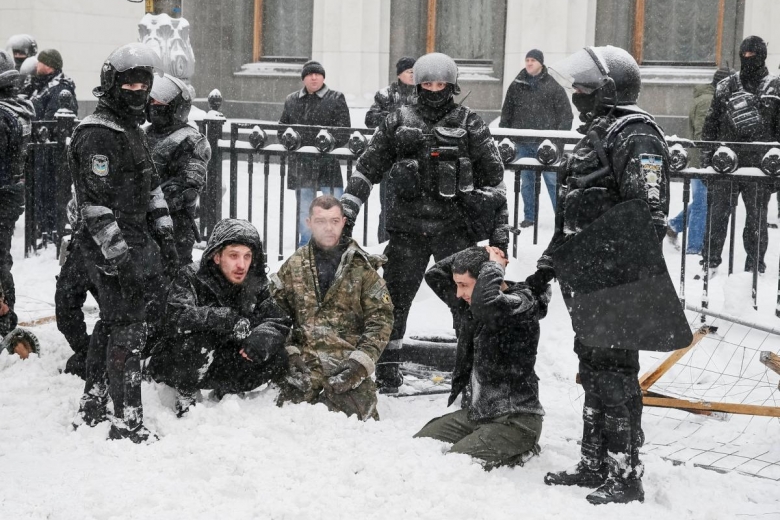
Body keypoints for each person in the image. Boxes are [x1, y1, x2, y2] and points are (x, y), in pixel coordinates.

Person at [526, 45, 670, 504]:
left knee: (615, 374)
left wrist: (609, 264)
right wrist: (547, 267)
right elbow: (573, 212)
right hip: (587, 274)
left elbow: (646, 216)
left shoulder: (636, 135)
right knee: (592, 370)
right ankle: (594, 462)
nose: (577, 94)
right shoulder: (597, 134)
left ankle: (625, 473)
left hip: (618, 277)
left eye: (585, 87)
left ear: (608, 89)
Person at [340, 52, 507, 391]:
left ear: (452, 85)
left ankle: (472, 374)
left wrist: (499, 237)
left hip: (454, 230)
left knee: (466, 303)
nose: (434, 90)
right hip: (407, 231)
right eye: (427, 84)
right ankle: (387, 372)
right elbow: (367, 168)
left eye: (440, 84)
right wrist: (347, 211)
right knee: (393, 304)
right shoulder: (397, 120)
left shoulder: (470, 123)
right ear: (418, 85)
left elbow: (496, 182)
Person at [69, 43, 176, 443]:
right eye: (129, 83)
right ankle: (127, 421)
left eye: (143, 83)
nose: (137, 90)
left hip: (136, 238)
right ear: (111, 84)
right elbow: (95, 207)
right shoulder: (98, 133)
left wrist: (165, 233)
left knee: (114, 321)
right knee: (128, 326)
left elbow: (151, 186)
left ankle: (93, 401)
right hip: (107, 243)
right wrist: (120, 260)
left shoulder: (130, 128)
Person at [415, 246, 549, 470]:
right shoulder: (471, 304)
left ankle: (523, 448)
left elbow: (486, 303)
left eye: (464, 285)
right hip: (479, 414)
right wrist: (481, 253)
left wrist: (493, 266)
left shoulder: (521, 304)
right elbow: (435, 274)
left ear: (487, 280)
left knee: (458, 462)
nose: (458, 294)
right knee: (422, 442)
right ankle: (493, 440)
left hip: (516, 420)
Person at [147, 218, 291, 416]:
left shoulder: (256, 283)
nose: (241, 265)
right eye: (234, 256)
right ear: (216, 256)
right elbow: (176, 317)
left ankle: (229, 391)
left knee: (278, 355)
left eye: (247, 256)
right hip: (182, 361)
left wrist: (263, 338)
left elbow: (277, 319)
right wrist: (222, 318)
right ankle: (184, 395)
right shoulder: (191, 276)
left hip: (225, 360)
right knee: (200, 342)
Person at [271, 195, 393, 421]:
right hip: (305, 364)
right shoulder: (294, 265)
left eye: (334, 221)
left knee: (357, 419)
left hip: (346, 365)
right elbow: (276, 314)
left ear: (343, 222)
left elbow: (381, 320)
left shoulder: (361, 267)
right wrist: (290, 352)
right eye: (320, 221)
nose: (328, 228)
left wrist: (360, 363)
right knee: (286, 415)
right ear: (309, 223)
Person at [700, 36, 780, 275]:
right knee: (717, 217)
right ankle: (710, 262)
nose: (747, 59)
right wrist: (707, 160)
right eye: (744, 55)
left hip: (760, 164)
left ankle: (754, 266)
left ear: (762, 56)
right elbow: (711, 125)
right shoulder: (726, 86)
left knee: (756, 220)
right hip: (726, 162)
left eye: (752, 55)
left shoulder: (775, 88)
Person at [278, 61, 351, 247]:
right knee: (305, 210)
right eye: (309, 74)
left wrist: (329, 141)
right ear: (303, 78)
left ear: (323, 77)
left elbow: (344, 130)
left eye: (317, 74)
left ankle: (335, 245)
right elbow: (282, 128)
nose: (313, 77)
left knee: (334, 209)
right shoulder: (292, 100)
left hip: (328, 163)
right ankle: (306, 246)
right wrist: (290, 139)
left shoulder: (336, 98)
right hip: (302, 164)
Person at [499, 49, 573, 228]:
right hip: (522, 143)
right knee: (527, 183)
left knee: (553, 182)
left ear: (541, 62)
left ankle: (561, 218)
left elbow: (566, 116)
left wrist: (557, 142)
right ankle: (529, 217)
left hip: (546, 145)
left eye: (533, 60)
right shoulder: (516, 85)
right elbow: (506, 113)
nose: (529, 63)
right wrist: (505, 138)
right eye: (527, 60)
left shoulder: (553, 86)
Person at [145, 73, 210, 266]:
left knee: (174, 277)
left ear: (176, 106)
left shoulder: (192, 140)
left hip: (175, 229)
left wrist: (140, 201)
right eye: (152, 101)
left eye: (160, 102)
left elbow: (185, 191)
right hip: (138, 228)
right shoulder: (142, 134)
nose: (154, 106)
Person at [666, 68, 732, 255]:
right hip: (703, 159)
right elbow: (703, 134)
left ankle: (674, 226)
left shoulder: (709, 98)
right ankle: (695, 248)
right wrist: (708, 157)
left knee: (704, 202)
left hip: (703, 158)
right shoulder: (708, 101)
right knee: (702, 203)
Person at [0, 50, 34, 341]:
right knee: (1, 257)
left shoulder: (1, 116)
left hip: (3, 194)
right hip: (11, 192)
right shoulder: (17, 107)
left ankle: (4, 320)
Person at [28, 49, 78, 241]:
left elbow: (48, 122)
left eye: (40, 62)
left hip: (52, 154)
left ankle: (50, 231)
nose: (37, 65)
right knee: (41, 192)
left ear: (49, 66)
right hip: (43, 151)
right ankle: (44, 229)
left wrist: (38, 127)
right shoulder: (42, 85)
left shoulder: (59, 89)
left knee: (50, 192)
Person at [365, 56, 417, 243]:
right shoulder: (386, 94)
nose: (413, 75)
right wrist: (395, 119)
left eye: (415, 72)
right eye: (409, 71)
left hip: (417, 160)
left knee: (414, 208)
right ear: (399, 74)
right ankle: (385, 244)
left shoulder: (424, 93)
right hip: (391, 159)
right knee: (388, 207)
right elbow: (370, 118)